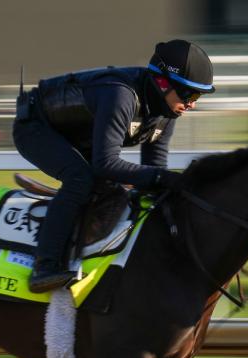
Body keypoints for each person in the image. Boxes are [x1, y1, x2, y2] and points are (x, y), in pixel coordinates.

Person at [13, 39, 215, 293]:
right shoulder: (120, 95)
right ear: (162, 83)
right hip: (35, 127)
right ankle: (45, 267)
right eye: (189, 94)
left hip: (77, 136)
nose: (192, 104)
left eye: (197, 96)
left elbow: (154, 168)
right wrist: (166, 178)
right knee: (81, 179)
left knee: (124, 190)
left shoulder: (166, 110)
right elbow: (106, 163)